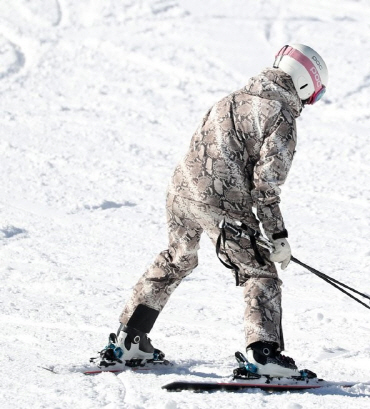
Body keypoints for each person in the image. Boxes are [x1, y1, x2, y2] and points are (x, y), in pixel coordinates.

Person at [94, 44, 328, 377]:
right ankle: (264, 356)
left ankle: (130, 338)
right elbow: (266, 186)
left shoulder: (229, 99)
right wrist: (277, 236)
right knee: (260, 271)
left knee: (178, 257)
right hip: (221, 202)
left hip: (180, 190)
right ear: (306, 84)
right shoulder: (281, 117)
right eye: (312, 96)